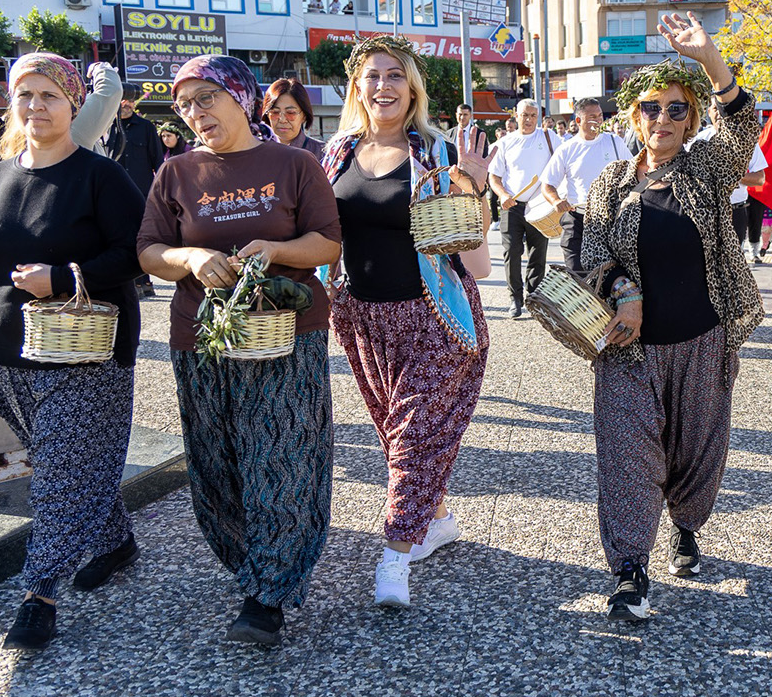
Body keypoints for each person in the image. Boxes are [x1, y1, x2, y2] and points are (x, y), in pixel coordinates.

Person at [0, 53, 146, 651]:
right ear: (11, 104)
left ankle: (39, 594)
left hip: (85, 357)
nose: (36, 107)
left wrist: (66, 276)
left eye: (49, 95)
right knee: (68, 463)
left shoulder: (101, 177)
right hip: (3, 356)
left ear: (74, 103)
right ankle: (115, 538)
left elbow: (136, 255)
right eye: (25, 95)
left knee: (57, 475)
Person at [137, 55, 342, 647]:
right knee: (217, 461)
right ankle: (251, 563)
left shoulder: (295, 163)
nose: (195, 113)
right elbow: (149, 251)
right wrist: (191, 259)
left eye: (207, 98)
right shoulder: (174, 173)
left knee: (281, 456)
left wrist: (274, 251)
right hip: (199, 337)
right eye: (185, 104)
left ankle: (269, 592)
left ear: (240, 96)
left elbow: (327, 245)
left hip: (285, 336)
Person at [581, 12, 763, 623]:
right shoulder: (608, 181)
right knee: (628, 452)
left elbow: (743, 126)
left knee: (697, 453)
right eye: (652, 109)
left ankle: (686, 525)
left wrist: (708, 57)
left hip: (702, 338)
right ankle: (631, 568)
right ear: (634, 116)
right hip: (628, 346)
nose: (663, 119)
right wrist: (622, 285)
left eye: (676, 110)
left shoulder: (706, 169)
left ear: (690, 120)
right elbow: (590, 251)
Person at [320, 34, 490, 610]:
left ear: (412, 88)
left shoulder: (438, 155)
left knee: (411, 442)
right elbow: (326, 240)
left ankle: (393, 558)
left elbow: (478, 262)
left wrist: (473, 188)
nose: (384, 86)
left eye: (396, 75)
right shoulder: (337, 152)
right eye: (373, 75)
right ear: (357, 86)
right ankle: (437, 518)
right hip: (362, 320)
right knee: (396, 437)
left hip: (436, 319)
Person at [540, 96, 632, 274]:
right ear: (578, 120)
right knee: (578, 276)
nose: (598, 121)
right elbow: (548, 184)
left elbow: (633, 173)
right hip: (577, 220)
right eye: (592, 117)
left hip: (610, 219)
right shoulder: (567, 149)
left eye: (600, 116)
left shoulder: (615, 143)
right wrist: (555, 201)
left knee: (610, 276)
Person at [488, 99, 558, 318]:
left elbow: (563, 163)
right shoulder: (506, 143)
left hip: (540, 206)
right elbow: (494, 176)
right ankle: (515, 298)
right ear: (516, 116)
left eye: (533, 116)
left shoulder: (548, 137)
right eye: (525, 115)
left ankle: (534, 296)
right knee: (512, 253)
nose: (529, 120)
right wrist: (503, 194)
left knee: (538, 254)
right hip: (512, 206)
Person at [99, 89, 165, 298]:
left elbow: (158, 162)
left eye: (130, 101)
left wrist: (160, 192)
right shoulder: (108, 127)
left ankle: (144, 281)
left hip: (142, 193)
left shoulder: (146, 127)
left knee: (143, 236)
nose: (126, 104)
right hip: (114, 193)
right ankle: (128, 282)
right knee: (119, 237)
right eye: (122, 100)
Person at [693, 101, 767, 262]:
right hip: (704, 211)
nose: (719, 113)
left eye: (722, 109)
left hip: (735, 211)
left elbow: (760, 178)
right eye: (715, 109)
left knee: (732, 264)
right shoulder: (697, 141)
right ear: (709, 112)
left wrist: (731, 174)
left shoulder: (746, 140)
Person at [263, 78, 325, 163]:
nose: (282, 120)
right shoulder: (256, 153)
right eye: (275, 112)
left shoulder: (323, 153)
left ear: (304, 115)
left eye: (290, 113)